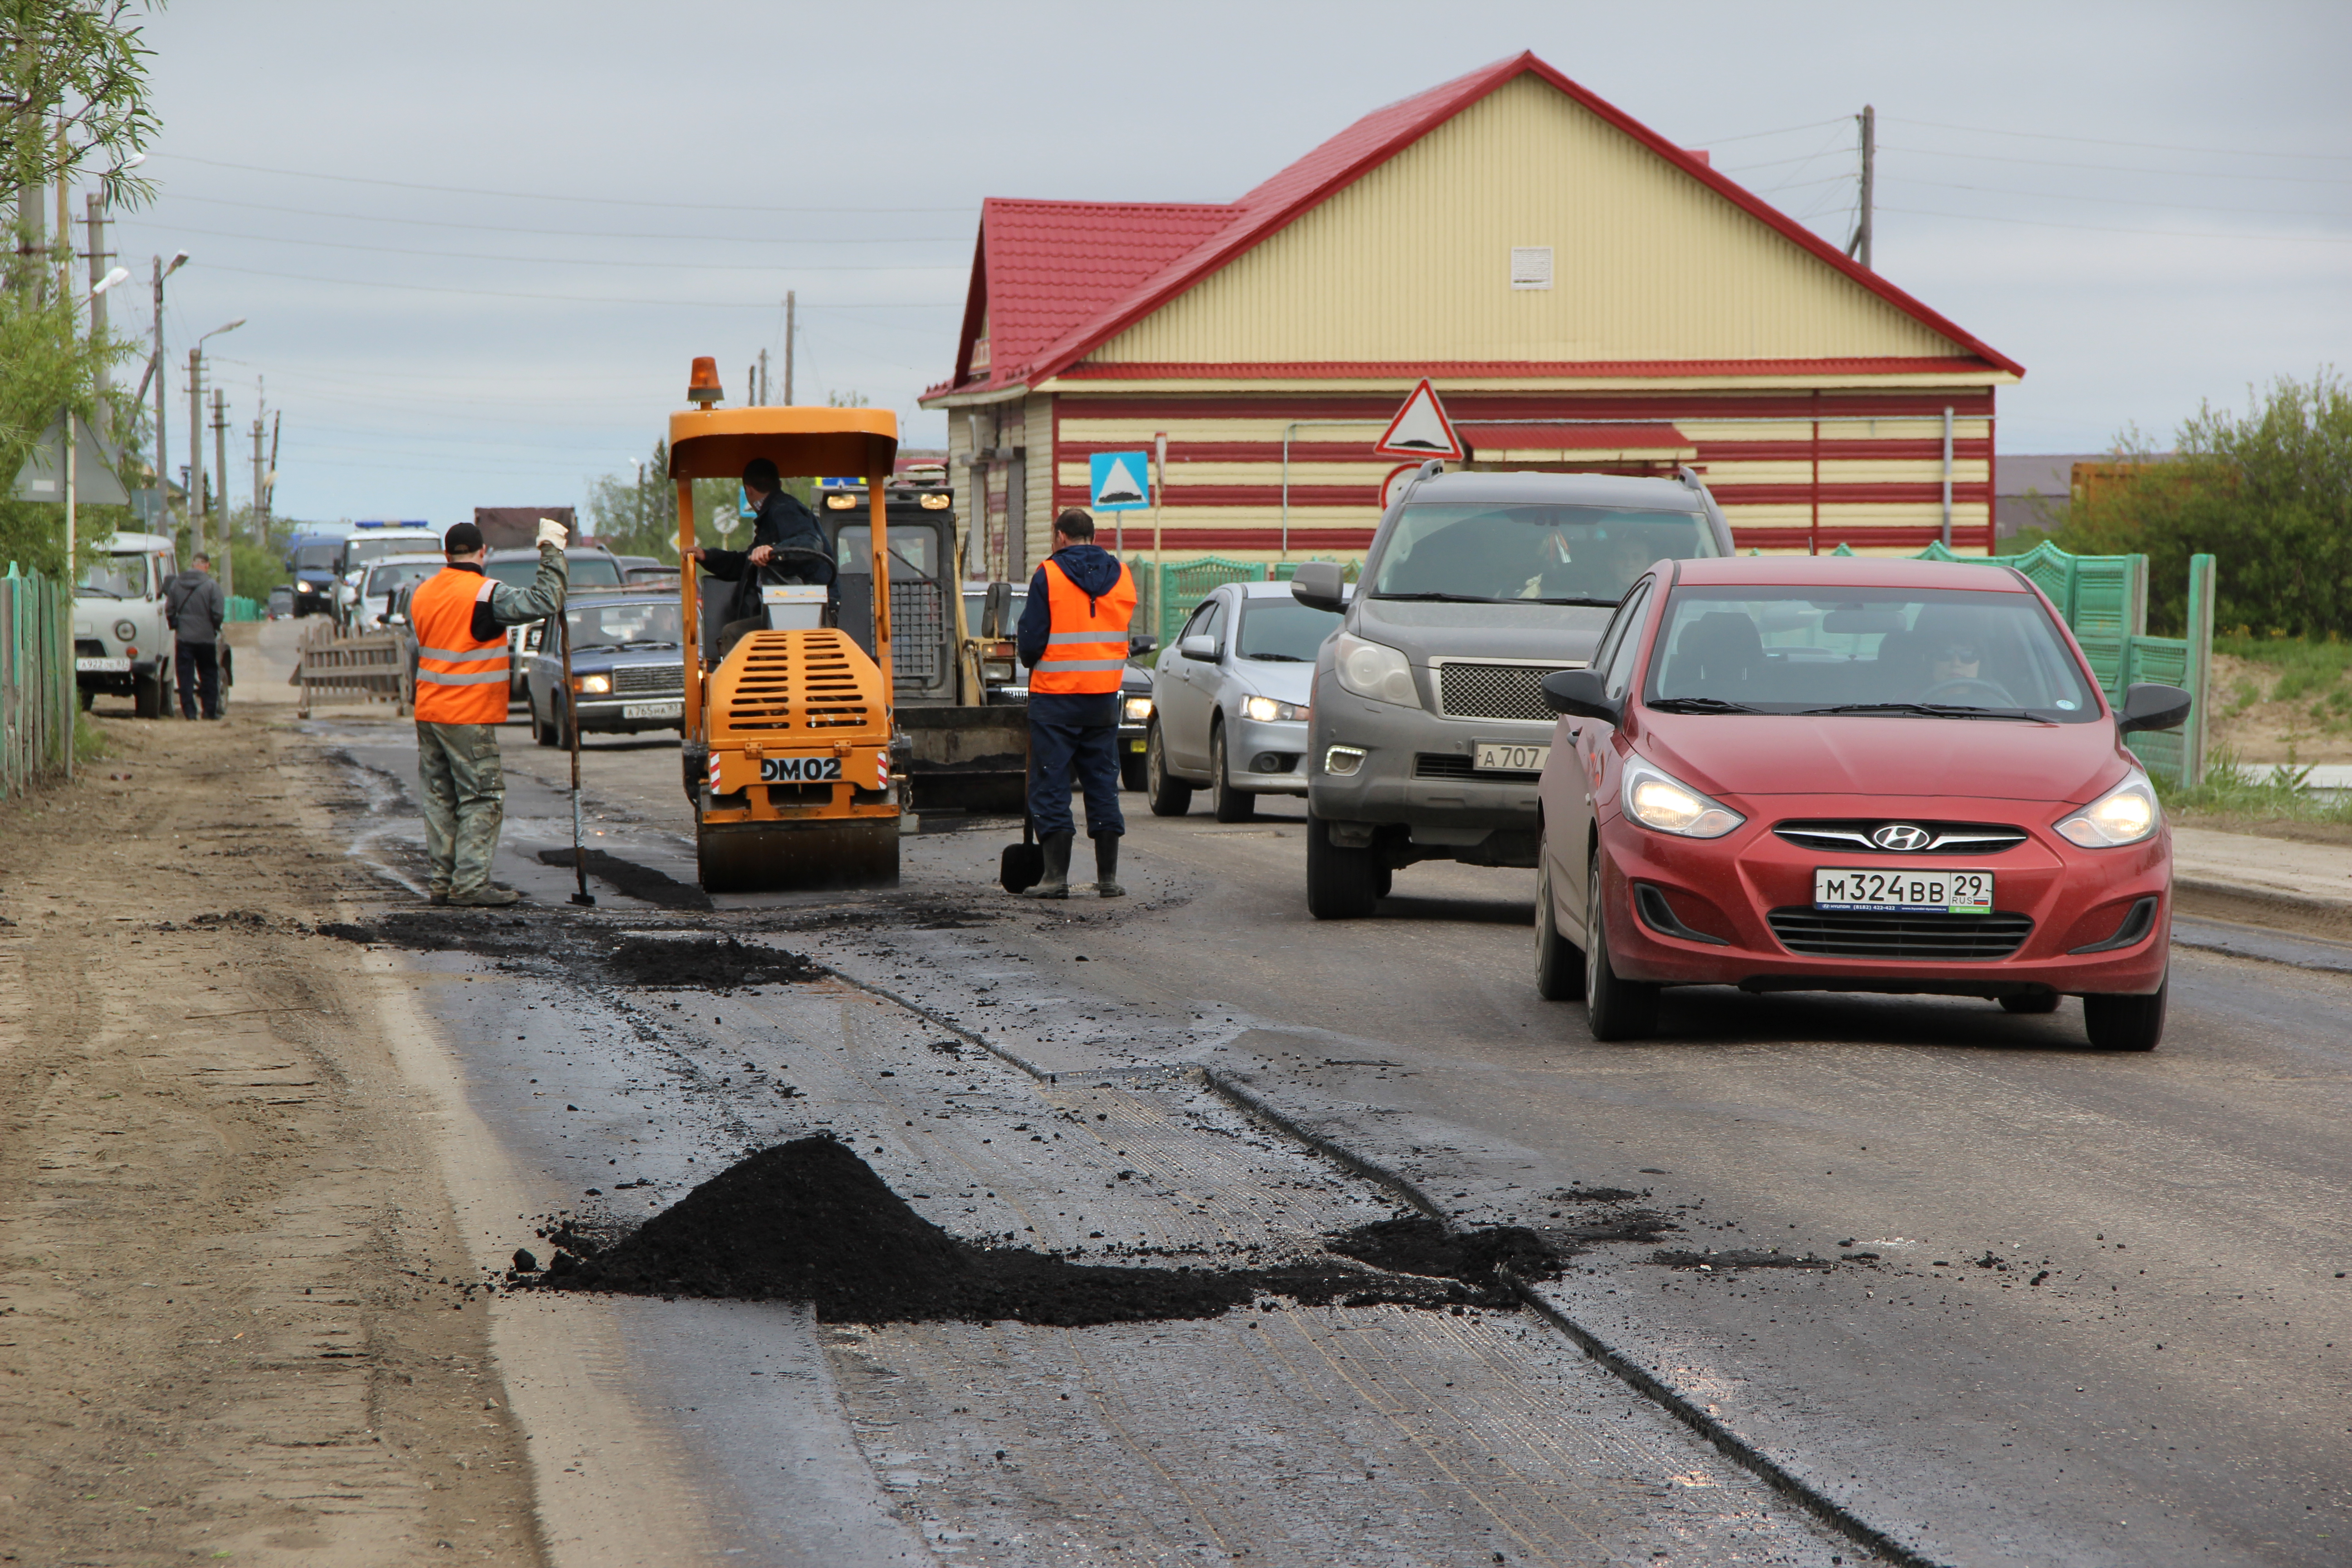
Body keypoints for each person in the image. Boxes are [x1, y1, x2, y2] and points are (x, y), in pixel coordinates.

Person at [410, 519, 569, 906]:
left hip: (429, 711)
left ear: (446, 554)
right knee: (482, 796)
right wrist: (552, 550)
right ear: (483, 553)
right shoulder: (486, 594)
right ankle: (469, 886)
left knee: (440, 798)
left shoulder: (424, 593)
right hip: (468, 713)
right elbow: (546, 601)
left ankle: (442, 883)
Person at [1016, 508, 1135, 899]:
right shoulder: (1121, 575)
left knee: (1050, 784)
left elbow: (1031, 642)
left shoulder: (1048, 574)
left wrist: (1030, 656)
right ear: (1092, 535)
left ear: (1061, 536)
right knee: (1102, 784)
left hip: (1055, 700)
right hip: (1102, 700)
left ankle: (1054, 878)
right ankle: (1108, 879)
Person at [164, 552, 226, 719]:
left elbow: (169, 609)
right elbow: (218, 613)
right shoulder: (212, 586)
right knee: (209, 674)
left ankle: (190, 713)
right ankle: (209, 712)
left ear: (192, 564)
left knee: (185, 676)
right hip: (206, 638)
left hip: (184, 638)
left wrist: (176, 625)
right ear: (207, 565)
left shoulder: (177, 584)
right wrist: (213, 627)